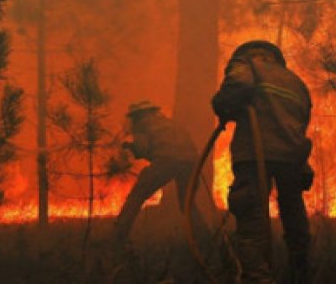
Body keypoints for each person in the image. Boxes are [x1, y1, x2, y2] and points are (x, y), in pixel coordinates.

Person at [212, 40, 313, 284]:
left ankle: (258, 278)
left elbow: (237, 87)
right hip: (292, 157)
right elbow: (303, 119)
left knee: (251, 220)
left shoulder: (247, 64)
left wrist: (223, 108)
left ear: (251, 54)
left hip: (255, 152)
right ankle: (300, 274)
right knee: (295, 220)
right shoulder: (296, 82)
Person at [113, 101, 203, 243]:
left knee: (137, 195)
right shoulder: (169, 123)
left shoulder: (142, 125)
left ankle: (118, 237)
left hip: (166, 160)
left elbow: (143, 149)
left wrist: (131, 148)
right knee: (187, 204)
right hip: (191, 163)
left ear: (138, 115)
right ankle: (204, 238)